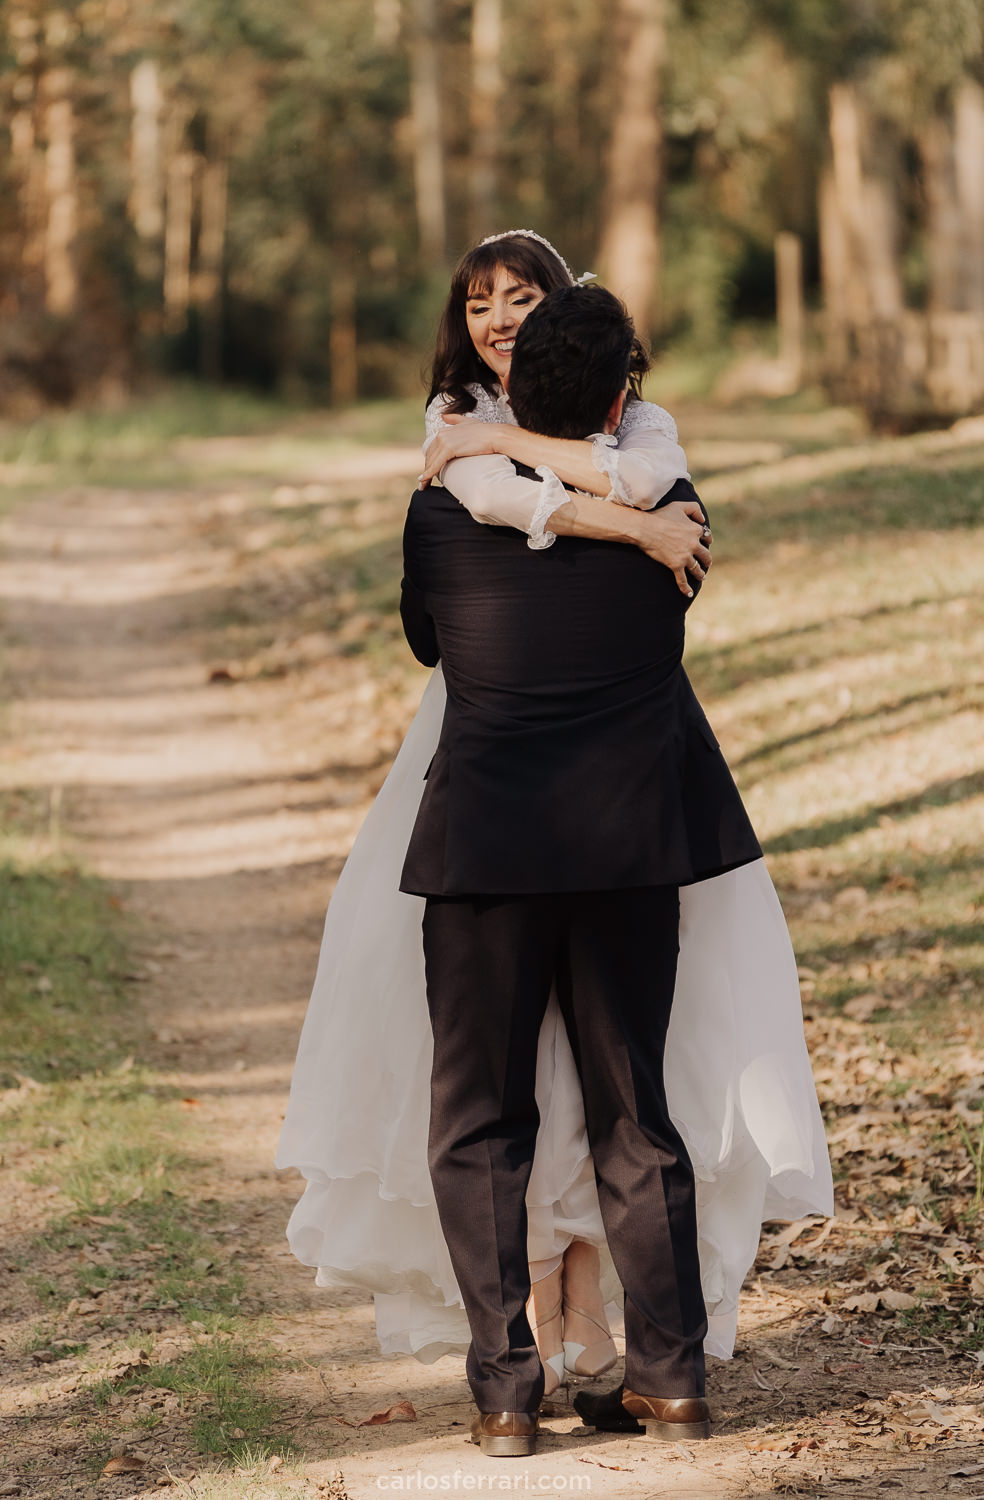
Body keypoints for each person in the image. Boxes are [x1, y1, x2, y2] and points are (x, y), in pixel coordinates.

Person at [275, 232, 832, 1425]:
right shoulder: (675, 520)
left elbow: (429, 642)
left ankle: (502, 1393)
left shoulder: (440, 512)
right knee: (638, 1111)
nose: (495, 320)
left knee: (479, 1121)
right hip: (633, 845)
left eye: (518, 304)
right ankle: (672, 1380)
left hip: (484, 848)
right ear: (621, 394)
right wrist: (623, 521)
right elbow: (637, 537)